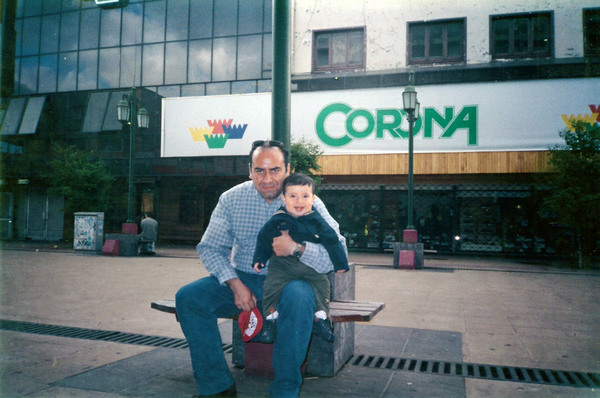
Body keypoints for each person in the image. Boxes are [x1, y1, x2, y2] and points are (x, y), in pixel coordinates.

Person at [175, 140, 346, 397]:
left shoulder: (307, 201)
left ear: (287, 170)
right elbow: (210, 248)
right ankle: (216, 387)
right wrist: (234, 284)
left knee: (300, 296)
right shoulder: (231, 199)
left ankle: (284, 391)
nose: (267, 179)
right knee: (188, 298)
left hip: (291, 282)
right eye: (260, 170)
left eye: (275, 170)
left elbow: (339, 253)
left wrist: (298, 249)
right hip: (244, 279)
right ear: (250, 171)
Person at [253, 173, 349, 343]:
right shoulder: (278, 218)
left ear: (313, 199)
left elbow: (332, 241)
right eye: (293, 196)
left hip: (309, 265)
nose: (299, 202)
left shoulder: (317, 220)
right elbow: (264, 237)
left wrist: (340, 263)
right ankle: (270, 319)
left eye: (305, 196)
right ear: (284, 199)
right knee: (271, 286)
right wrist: (259, 258)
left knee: (322, 284)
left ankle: (322, 318)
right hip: (282, 265)